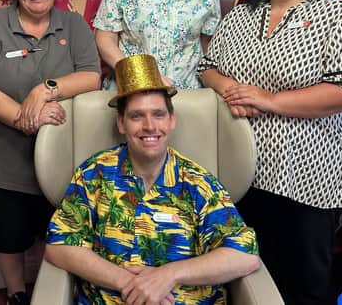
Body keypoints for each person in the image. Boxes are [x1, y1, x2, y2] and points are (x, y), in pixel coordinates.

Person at [199, 0, 342, 305]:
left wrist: (268, 100)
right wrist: (229, 88)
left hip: (310, 175)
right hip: (246, 171)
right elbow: (206, 67)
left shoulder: (334, 14)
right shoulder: (242, 16)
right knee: (250, 277)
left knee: (303, 281)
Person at [45, 54, 260, 305]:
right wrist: (129, 284)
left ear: (171, 121)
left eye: (158, 114)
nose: (149, 126)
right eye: (137, 116)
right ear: (121, 123)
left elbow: (245, 255)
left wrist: (168, 275)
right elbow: (58, 244)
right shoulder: (95, 174)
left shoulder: (197, 182)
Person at [0, 0, 101, 305]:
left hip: (64, 156)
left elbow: (91, 76)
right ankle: (16, 293)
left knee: (58, 233)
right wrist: (27, 119)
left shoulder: (73, 25)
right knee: (7, 234)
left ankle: (51, 293)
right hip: (2, 156)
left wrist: (45, 89)